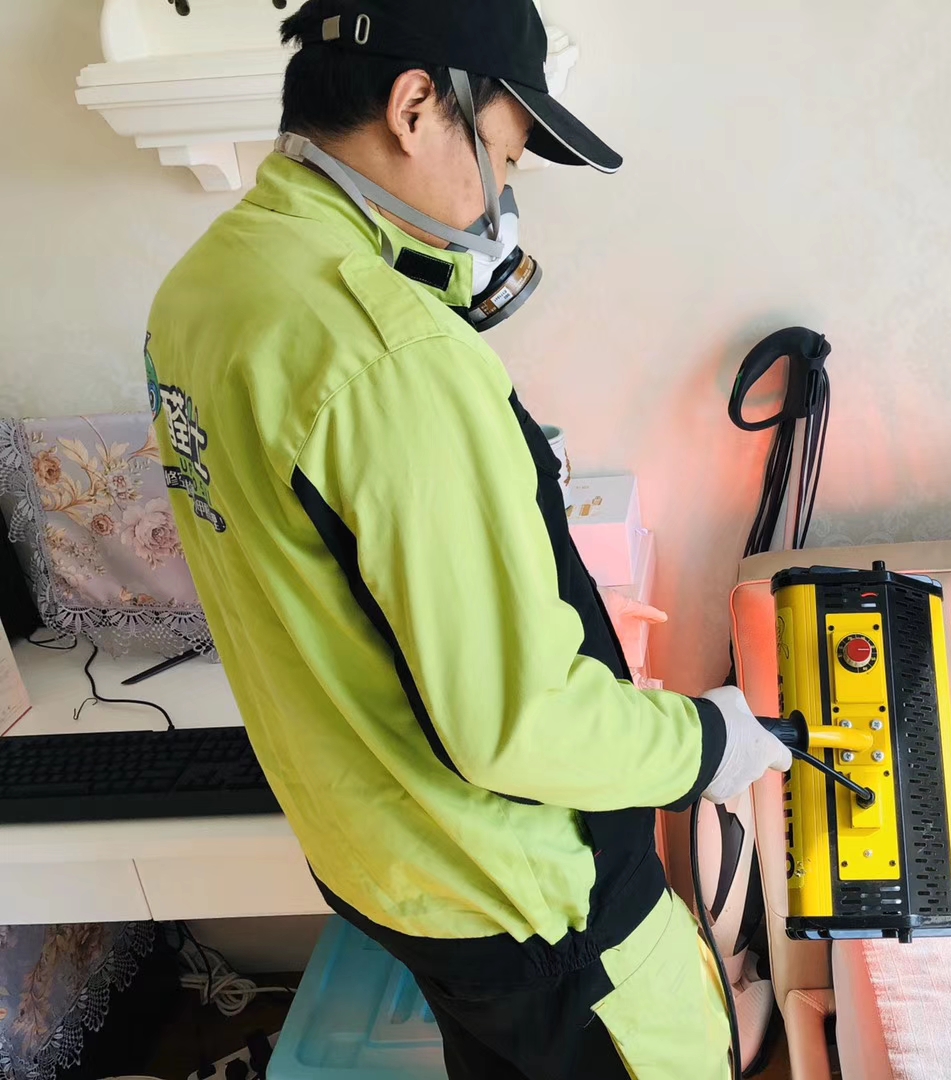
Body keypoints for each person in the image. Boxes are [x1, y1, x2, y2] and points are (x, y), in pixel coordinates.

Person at [142, 1, 791, 1077]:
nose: (502, 197)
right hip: (531, 904)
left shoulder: (205, 288)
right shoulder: (397, 357)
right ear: (413, 107)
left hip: (388, 866)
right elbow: (519, 724)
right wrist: (706, 744)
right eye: (504, 153)